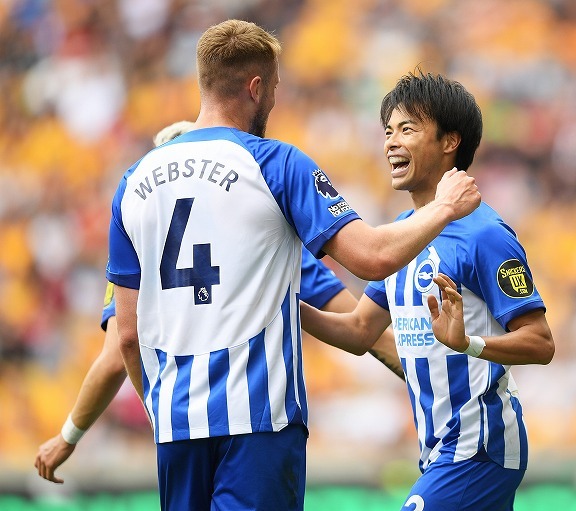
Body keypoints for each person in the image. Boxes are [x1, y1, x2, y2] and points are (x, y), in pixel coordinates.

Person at [106, 20, 479, 511]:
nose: (276, 101)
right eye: (275, 88)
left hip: (176, 424)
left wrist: (162, 411)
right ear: (256, 88)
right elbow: (372, 258)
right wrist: (445, 207)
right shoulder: (276, 164)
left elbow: (127, 335)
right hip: (259, 421)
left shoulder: (133, 182)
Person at [33, 121, 402, 485]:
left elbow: (120, 348)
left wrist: (72, 435)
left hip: (181, 426)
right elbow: (359, 326)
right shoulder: (267, 229)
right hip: (256, 421)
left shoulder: (142, 233)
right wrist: (421, 373)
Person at [300, 70, 555, 511]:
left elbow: (541, 342)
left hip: (481, 447)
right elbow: (360, 331)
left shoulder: (484, 235)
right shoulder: (400, 236)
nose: (391, 143)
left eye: (407, 129)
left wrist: (468, 343)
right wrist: (284, 307)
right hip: (438, 452)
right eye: (388, 131)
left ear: (450, 141)